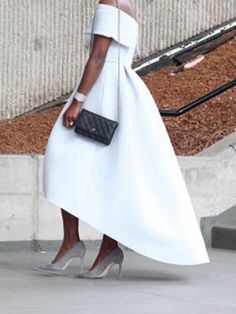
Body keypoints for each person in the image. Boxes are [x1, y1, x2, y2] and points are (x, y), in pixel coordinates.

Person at [38, 0, 210, 279]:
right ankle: (80, 244)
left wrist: (78, 101)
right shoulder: (128, 4)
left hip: (104, 92)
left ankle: (98, 247)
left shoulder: (109, 2)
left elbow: (98, 57)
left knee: (66, 156)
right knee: (108, 168)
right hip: (121, 92)